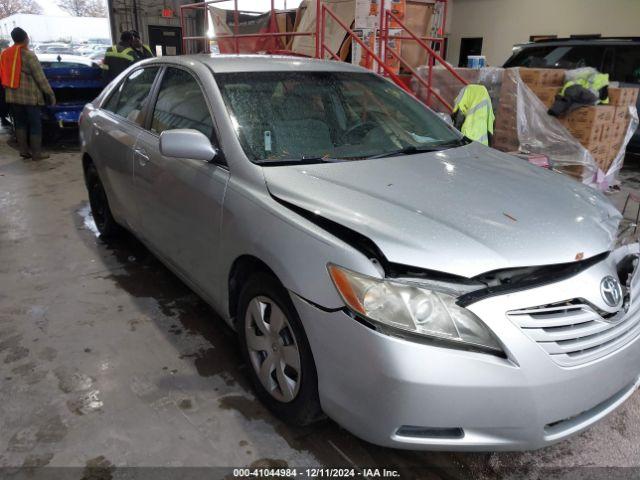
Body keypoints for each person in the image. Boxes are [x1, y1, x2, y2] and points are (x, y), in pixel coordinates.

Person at [0, 27, 55, 160]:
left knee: (19, 124)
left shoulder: (5, 54)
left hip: (12, 96)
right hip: (30, 98)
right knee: (35, 124)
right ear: (25, 38)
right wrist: (50, 94)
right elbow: (40, 77)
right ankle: (36, 154)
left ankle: (24, 151)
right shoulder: (29, 55)